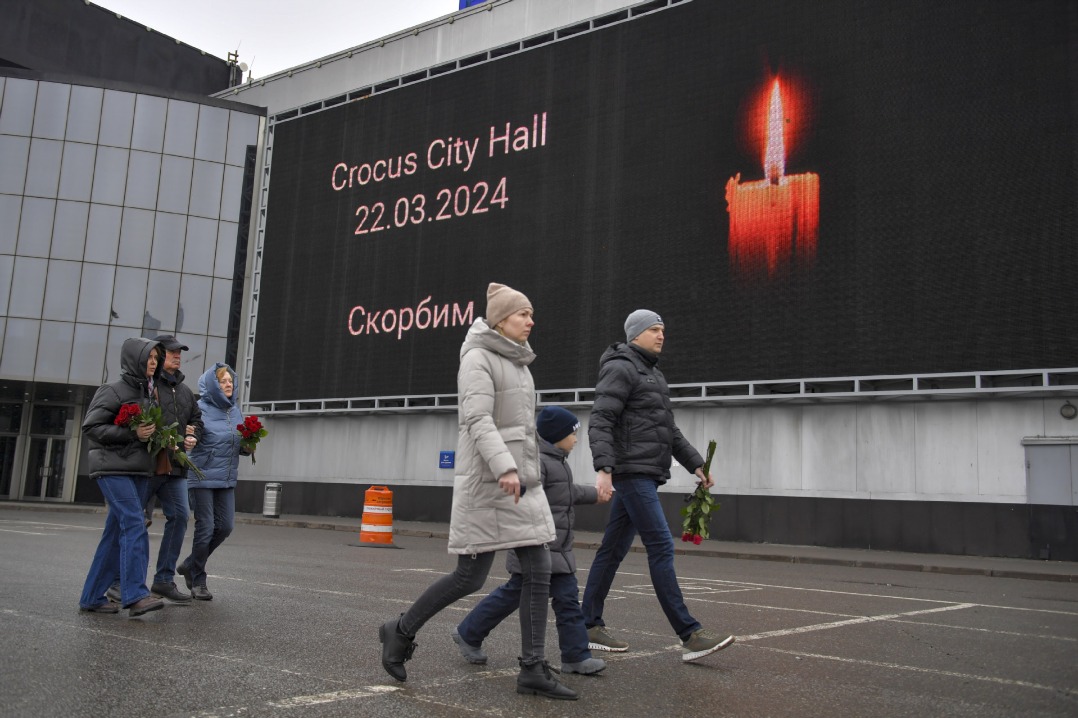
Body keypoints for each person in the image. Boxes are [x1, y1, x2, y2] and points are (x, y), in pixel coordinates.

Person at [379, 283, 575, 700]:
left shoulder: (518, 362)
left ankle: (532, 668)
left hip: (519, 484)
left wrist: (521, 470)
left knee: (538, 567)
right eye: (523, 314)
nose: (531, 320)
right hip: (491, 481)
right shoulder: (477, 358)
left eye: (531, 313)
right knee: (470, 577)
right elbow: (477, 420)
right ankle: (400, 630)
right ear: (501, 319)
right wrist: (505, 466)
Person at [581, 310, 735, 662]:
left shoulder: (652, 373)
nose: (661, 335)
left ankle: (587, 625)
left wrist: (696, 463)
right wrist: (604, 468)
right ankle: (690, 633)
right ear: (636, 334)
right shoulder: (621, 368)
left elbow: (668, 430)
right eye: (654, 329)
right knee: (661, 545)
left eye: (663, 329)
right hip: (632, 473)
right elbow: (601, 418)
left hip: (644, 472)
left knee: (612, 550)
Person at [454, 405, 609, 676]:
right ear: (557, 436)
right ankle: (469, 632)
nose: (576, 439)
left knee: (567, 600)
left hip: (558, 550)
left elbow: (565, 493)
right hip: (536, 548)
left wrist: (595, 494)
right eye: (573, 434)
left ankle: (576, 656)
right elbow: (521, 498)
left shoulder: (558, 462)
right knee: (513, 595)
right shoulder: (536, 463)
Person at [77, 337, 165, 617]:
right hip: (112, 468)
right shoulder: (112, 390)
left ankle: (91, 597)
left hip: (138, 470)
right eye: (149, 357)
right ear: (134, 359)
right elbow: (91, 426)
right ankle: (136, 594)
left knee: (115, 534)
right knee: (134, 523)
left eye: (156, 358)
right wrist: (132, 433)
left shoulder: (150, 394)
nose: (153, 363)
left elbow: (148, 434)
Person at [130, 334, 202, 603]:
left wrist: (193, 435)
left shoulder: (185, 391)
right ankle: (119, 582)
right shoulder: (147, 385)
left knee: (181, 516)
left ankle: (163, 580)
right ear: (158, 355)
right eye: (172, 352)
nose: (178, 356)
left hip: (176, 467)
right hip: (148, 466)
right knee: (134, 521)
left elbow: (197, 420)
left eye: (179, 352)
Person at [178, 363, 246, 601]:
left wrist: (248, 446)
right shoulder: (200, 409)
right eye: (223, 381)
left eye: (230, 381)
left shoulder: (235, 411)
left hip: (226, 477)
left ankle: (190, 564)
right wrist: (190, 439)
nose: (228, 384)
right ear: (213, 385)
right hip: (202, 475)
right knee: (206, 527)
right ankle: (198, 580)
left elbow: (239, 443)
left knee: (225, 526)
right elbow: (192, 433)